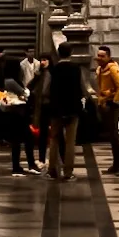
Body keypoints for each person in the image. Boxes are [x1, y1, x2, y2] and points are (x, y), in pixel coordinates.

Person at [47, 42, 83, 181]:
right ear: (71, 52)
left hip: (56, 110)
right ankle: (68, 172)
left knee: (54, 140)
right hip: (72, 109)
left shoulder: (54, 69)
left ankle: (52, 170)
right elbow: (79, 89)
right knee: (70, 141)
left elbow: (50, 90)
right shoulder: (76, 69)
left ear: (58, 52)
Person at [2, 57, 38, 176]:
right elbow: (24, 93)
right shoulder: (11, 81)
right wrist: (26, 92)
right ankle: (21, 166)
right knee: (23, 140)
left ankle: (23, 165)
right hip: (17, 113)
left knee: (22, 140)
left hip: (15, 113)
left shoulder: (7, 80)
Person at [96, 45, 119, 175]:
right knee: (111, 135)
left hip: (112, 105)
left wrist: (115, 101)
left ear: (108, 57)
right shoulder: (100, 69)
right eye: (98, 55)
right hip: (105, 103)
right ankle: (116, 164)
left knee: (114, 136)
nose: (99, 58)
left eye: (102, 56)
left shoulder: (113, 69)